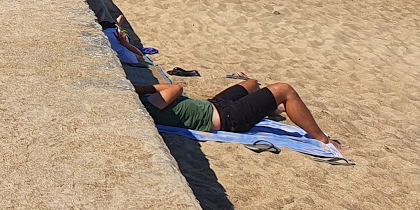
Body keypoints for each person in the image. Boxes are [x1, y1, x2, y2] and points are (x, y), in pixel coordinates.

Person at [135, 74, 341, 150]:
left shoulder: (149, 104)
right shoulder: (150, 105)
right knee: (284, 89)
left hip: (215, 105)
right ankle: (322, 139)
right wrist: (144, 88)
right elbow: (176, 88)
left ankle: (267, 108)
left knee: (251, 84)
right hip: (228, 118)